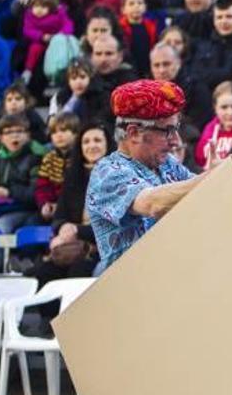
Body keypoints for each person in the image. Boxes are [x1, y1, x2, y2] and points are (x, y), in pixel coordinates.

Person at [86, 80, 204, 273]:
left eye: (176, 128)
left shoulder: (166, 163)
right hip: (134, 290)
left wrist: (218, 178)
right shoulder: (106, 172)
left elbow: (198, 192)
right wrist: (215, 176)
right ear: (134, 133)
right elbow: (153, 204)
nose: (176, 141)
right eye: (167, 130)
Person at [33, 123, 114, 285]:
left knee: (77, 272)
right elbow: (59, 216)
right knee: (42, 273)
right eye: (86, 142)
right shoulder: (73, 176)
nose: (92, 145)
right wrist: (62, 229)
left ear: (108, 145)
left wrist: (77, 230)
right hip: (72, 246)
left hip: (104, 248)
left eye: (97, 140)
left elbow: (113, 226)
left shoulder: (118, 176)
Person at [20, 0, 74, 84]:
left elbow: (68, 25)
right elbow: (27, 30)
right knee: (34, 49)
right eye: (36, 6)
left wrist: (60, 36)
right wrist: (41, 36)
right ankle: (28, 70)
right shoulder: (30, 17)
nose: (39, 10)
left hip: (57, 42)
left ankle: (57, 76)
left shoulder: (58, 14)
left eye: (43, 6)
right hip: (39, 42)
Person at [34, 113, 79, 222]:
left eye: (63, 131)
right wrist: (45, 204)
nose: (58, 135)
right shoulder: (49, 158)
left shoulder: (81, 157)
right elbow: (42, 187)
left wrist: (60, 207)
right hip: (53, 209)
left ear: (76, 134)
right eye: (54, 132)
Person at [118, 0, 157, 78]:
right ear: (123, 9)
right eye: (131, 4)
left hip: (147, 67)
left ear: (145, 7)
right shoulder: (119, 28)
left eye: (140, 3)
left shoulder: (151, 26)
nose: (136, 6)